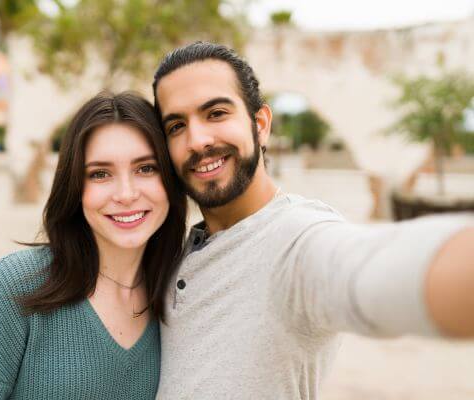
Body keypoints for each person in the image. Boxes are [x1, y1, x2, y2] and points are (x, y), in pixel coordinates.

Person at [151, 42, 474, 399]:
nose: (197, 140)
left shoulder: (295, 240)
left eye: (216, 113)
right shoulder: (173, 251)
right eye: (177, 126)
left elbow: (367, 267)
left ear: (260, 125)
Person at [0, 92, 187, 399]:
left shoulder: (179, 298)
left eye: (146, 168)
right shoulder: (16, 286)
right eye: (100, 174)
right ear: (75, 188)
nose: (126, 193)